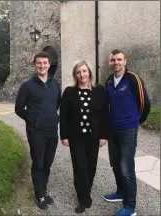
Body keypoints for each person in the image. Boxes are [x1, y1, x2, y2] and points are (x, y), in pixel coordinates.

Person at [103, 49, 151, 216]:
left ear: (125, 61)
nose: (116, 63)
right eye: (113, 60)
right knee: (115, 163)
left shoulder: (133, 79)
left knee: (126, 167)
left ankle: (130, 208)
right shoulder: (108, 82)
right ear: (110, 63)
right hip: (113, 129)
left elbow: (145, 103)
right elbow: (107, 106)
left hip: (128, 130)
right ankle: (120, 192)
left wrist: (136, 122)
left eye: (119, 59)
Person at [60, 60, 109, 214]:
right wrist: (64, 136)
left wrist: (103, 136)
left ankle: (86, 191)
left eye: (84, 71)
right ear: (75, 75)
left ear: (89, 72)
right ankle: (83, 199)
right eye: (78, 72)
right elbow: (64, 116)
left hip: (93, 137)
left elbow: (104, 115)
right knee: (80, 167)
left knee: (91, 167)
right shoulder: (69, 92)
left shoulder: (99, 91)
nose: (82, 74)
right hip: (76, 137)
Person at [15, 51, 61, 210]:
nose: (42, 66)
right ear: (34, 65)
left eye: (45, 63)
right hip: (36, 133)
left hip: (52, 131)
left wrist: (53, 119)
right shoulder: (27, 86)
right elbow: (18, 108)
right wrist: (33, 120)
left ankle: (43, 189)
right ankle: (39, 194)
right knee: (38, 163)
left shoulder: (55, 85)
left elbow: (56, 105)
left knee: (48, 163)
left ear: (49, 65)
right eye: (39, 63)